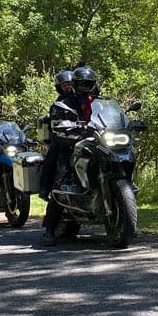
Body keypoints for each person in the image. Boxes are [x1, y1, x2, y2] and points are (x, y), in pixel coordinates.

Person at [41, 65, 99, 245]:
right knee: (62, 183)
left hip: (96, 145)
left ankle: (125, 221)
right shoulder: (63, 104)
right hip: (70, 146)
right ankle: (49, 230)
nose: (85, 86)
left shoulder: (98, 101)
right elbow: (57, 125)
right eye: (81, 83)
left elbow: (108, 116)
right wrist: (73, 130)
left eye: (88, 83)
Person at [38, 69, 78, 201]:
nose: (67, 86)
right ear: (59, 87)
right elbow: (54, 123)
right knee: (54, 153)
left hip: (82, 135)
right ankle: (47, 189)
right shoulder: (58, 104)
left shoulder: (81, 99)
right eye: (64, 85)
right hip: (63, 137)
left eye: (69, 83)